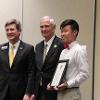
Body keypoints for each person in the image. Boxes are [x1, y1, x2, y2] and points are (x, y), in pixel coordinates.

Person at [48, 19, 89, 100]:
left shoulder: (79, 50)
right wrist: (53, 84)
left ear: (75, 32)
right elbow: (60, 73)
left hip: (72, 92)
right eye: (61, 31)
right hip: (60, 93)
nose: (62, 34)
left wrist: (68, 84)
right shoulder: (63, 52)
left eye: (65, 31)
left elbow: (85, 74)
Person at [0, 19, 36, 100]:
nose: (9, 32)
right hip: (2, 92)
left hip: (20, 93)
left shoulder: (28, 49)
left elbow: (31, 72)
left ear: (19, 31)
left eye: (12, 29)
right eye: (7, 30)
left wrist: (28, 93)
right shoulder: (1, 48)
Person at [34, 16, 64, 100]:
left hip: (53, 91)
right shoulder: (38, 46)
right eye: (41, 27)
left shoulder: (61, 44)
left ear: (54, 28)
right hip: (38, 91)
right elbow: (37, 69)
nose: (44, 29)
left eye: (47, 26)